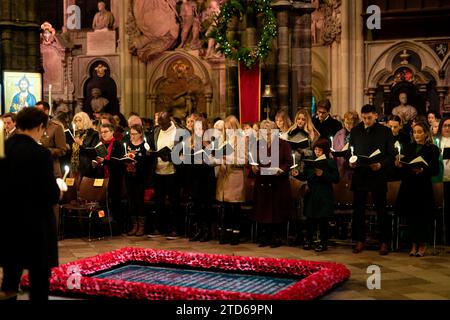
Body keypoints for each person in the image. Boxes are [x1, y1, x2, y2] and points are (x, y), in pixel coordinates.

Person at [0, 108, 61, 301]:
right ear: (39, 126)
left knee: (10, 277)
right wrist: (59, 190)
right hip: (36, 224)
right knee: (39, 279)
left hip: (9, 221)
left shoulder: (4, 148)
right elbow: (49, 193)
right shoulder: (40, 153)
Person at [349, 104, 396, 255]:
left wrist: (381, 164)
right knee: (359, 210)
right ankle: (359, 240)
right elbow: (349, 151)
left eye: (369, 118)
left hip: (378, 174)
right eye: (364, 118)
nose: (366, 121)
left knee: (381, 210)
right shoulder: (355, 131)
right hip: (360, 173)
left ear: (375, 115)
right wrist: (351, 161)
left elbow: (391, 155)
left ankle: (384, 242)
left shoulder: (385, 131)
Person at [394, 121, 440, 257]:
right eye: (415, 132)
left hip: (423, 187)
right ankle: (413, 244)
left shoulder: (432, 149)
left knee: (422, 216)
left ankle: (422, 244)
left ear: (426, 133)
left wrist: (423, 170)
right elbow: (404, 168)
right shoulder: (408, 147)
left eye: (420, 132)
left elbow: (435, 170)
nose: (417, 135)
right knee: (411, 216)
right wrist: (399, 165)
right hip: (409, 186)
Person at [292, 138, 339, 252]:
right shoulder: (310, 161)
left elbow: (336, 178)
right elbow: (306, 176)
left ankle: (323, 242)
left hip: (324, 194)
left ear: (325, 151)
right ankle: (308, 240)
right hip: (312, 193)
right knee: (310, 219)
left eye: (320, 150)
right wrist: (298, 174)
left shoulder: (330, 162)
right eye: (316, 150)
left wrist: (323, 174)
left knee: (323, 220)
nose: (317, 152)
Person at [252, 120, 293, 248]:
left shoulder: (283, 144)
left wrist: (282, 170)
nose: (267, 135)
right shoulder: (257, 145)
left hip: (278, 182)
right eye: (264, 133)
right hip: (263, 182)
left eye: (269, 133)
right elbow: (252, 159)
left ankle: (276, 237)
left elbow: (288, 162)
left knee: (276, 210)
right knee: (263, 210)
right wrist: (253, 167)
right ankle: (265, 236)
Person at [216, 115, 247, 245]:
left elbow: (244, 160)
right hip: (224, 176)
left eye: (230, 129)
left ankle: (235, 234)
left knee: (235, 207)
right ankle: (225, 233)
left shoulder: (241, 139)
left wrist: (228, 159)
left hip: (235, 176)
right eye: (226, 129)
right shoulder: (222, 140)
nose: (228, 131)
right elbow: (217, 156)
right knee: (225, 208)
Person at [125, 125, 151, 237]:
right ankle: (134, 225)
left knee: (139, 201)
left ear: (140, 134)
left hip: (141, 177)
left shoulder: (144, 145)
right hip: (129, 176)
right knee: (131, 201)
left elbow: (148, 163)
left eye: (135, 134)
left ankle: (141, 227)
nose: (132, 136)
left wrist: (138, 166)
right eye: (131, 134)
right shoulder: (128, 145)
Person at [35, 101, 67, 178]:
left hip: (51, 169)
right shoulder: (33, 127)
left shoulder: (55, 127)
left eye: (38, 111)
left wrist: (44, 150)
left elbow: (62, 150)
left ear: (46, 111)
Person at [70, 112, 99, 180]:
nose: (77, 123)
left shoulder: (93, 134)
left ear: (85, 121)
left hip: (86, 165)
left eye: (80, 120)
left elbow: (93, 151)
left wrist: (81, 144)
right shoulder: (74, 133)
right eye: (76, 121)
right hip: (73, 165)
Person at [333, 111, 359, 182]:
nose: (348, 125)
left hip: (354, 169)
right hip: (341, 168)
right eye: (346, 122)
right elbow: (333, 148)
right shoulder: (339, 133)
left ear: (355, 123)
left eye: (350, 123)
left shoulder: (359, 134)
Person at [437, 117, 450, 244]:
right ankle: (438, 236)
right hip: (438, 178)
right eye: (445, 125)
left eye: (449, 126)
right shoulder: (436, 142)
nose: (447, 128)